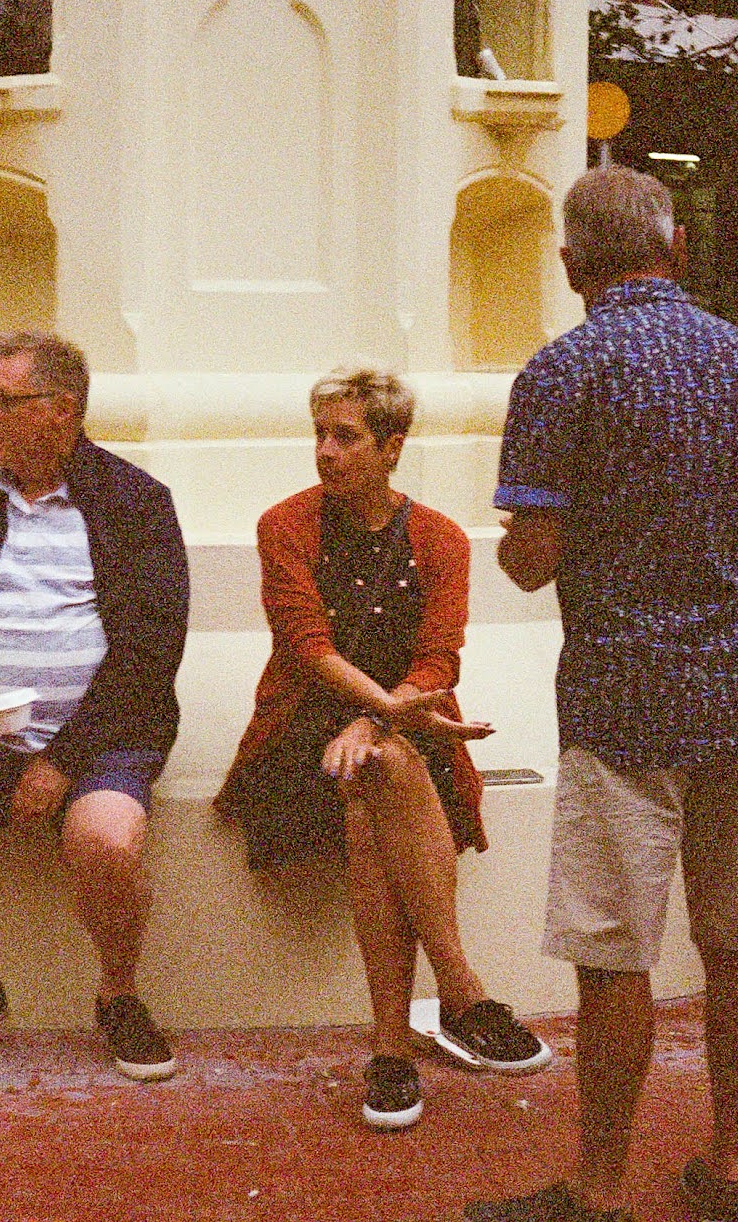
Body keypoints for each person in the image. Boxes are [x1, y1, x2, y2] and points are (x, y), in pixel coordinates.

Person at [470, 167, 738, 1222]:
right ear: (674, 249)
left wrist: (539, 538)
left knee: (612, 952)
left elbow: (532, 557)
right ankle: (729, 1164)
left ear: (570, 262)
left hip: (629, 691)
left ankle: (600, 1185)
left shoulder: (562, 370)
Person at [217, 369, 551, 1131]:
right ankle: (461, 992)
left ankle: (392, 1050)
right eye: (320, 434)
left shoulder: (440, 538)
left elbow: (439, 658)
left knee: (376, 786)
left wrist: (376, 722)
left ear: (392, 447)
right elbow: (306, 646)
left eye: (346, 437)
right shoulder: (284, 525)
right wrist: (383, 714)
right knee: (386, 768)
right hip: (301, 734)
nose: (325, 452)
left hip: (401, 732)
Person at [0, 331, 189, 1082]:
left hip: (101, 739)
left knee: (107, 841)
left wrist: (61, 761)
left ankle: (118, 995)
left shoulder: (133, 502)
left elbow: (151, 653)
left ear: (60, 410)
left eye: (0, 400)